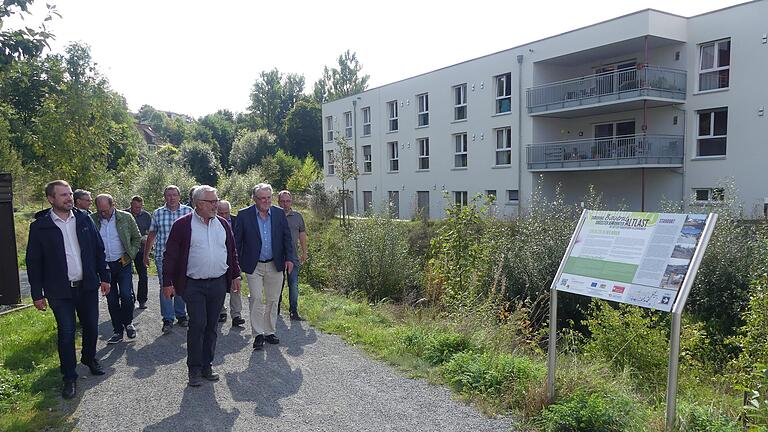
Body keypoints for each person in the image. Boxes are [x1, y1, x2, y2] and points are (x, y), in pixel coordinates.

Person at [26, 180, 111, 399]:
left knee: (92, 327)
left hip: (87, 286)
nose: (68, 198)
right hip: (59, 290)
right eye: (63, 195)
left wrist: (105, 277)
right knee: (66, 333)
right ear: (51, 199)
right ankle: (69, 376)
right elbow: (33, 261)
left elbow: (98, 249)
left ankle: (89, 358)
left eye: (70, 194)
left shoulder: (83, 218)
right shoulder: (40, 226)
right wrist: (37, 294)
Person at [162, 185, 241, 387]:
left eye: (216, 201)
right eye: (211, 201)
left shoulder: (223, 224)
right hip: (193, 285)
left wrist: (235, 275)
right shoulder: (183, 225)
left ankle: (208, 365)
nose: (216, 205)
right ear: (198, 203)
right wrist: (168, 282)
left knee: (212, 326)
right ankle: (194, 370)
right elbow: (170, 255)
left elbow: (231, 252)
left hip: (217, 283)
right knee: (198, 325)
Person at [234, 183, 296, 350]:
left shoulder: (278, 214)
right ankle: (258, 334)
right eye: (262, 198)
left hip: (275, 264)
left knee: (273, 299)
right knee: (255, 298)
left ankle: (269, 331)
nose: (266, 201)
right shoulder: (244, 215)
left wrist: (290, 258)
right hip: (253, 265)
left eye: (268, 198)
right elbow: (236, 243)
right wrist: (236, 268)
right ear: (254, 199)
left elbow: (287, 238)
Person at [92, 194, 142, 344]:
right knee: (112, 299)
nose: (103, 214)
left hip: (123, 262)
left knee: (127, 295)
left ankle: (128, 323)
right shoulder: (92, 219)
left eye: (106, 210)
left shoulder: (126, 217)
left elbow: (137, 238)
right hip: (104, 266)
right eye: (100, 211)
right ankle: (117, 331)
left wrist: (130, 255)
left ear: (113, 205)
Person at [144, 185, 192, 333]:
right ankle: (167, 319)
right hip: (162, 256)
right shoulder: (158, 213)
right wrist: (146, 254)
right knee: (165, 285)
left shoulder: (188, 211)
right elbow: (152, 234)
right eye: (168, 195)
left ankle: (181, 314)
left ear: (179, 196)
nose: (171, 198)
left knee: (181, 285)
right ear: (164, 197)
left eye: (174, 195)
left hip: (183, 257)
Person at [277, 190, 308, 321]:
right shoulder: (274, 215)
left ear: (291, 201)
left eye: (288, 201)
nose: (285, 204)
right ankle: (275, 308)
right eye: (282, 201)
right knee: (277, 284)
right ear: (278, 202)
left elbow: (302, 234)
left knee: (293, 284)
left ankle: (293, 311)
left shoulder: (298, 216)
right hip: (277, 256)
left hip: (294, 256)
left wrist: (304, 252)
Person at [216, 200, 245, 327]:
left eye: (226, 213)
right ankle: (221, 311)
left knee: (236, 285)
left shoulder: (237, 220)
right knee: (219, 286)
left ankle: (236, 315)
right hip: (217, 259)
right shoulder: (211, 221)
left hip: (234, 258)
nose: (223, 216)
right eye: (220, 213)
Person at [125, 196, 152, 309]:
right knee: (126, 275)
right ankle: (130, 299)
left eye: (140, 207)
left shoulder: (146, 216)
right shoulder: (124, 215)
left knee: (143, 275)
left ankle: (142, 300)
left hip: (141, 250)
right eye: (135, 207)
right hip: (126, 251)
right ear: (131, 205)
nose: (137, 209)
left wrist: (147, 239)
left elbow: (151, 232)